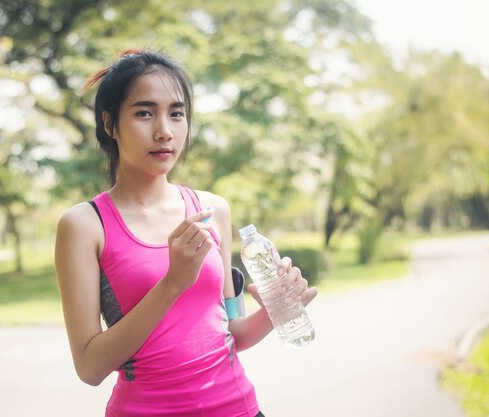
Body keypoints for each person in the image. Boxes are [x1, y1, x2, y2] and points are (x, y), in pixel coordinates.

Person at [54, 49, 318, 417]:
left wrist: (279, 308)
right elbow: (89, 367)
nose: (164, 131)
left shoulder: (212, 211)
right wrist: (172, 282)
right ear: (110, 123)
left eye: (176, 113)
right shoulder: (84, 225)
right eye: (144, 112)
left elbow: (229, 334)